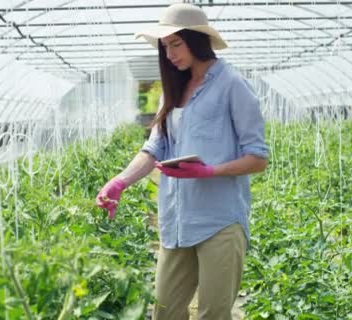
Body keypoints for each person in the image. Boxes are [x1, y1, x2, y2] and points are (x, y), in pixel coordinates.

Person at [95, 3, 268, 319]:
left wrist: (208, 171)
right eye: (165, 47)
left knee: (212, 313)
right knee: (164, 311)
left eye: (176, 44)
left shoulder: (232, 84)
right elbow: (154, 148)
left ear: (197, 40)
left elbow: (258, 158)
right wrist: (120, 182)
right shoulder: (172, 90)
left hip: (220, 221)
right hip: (176, 221)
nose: (170, 53)